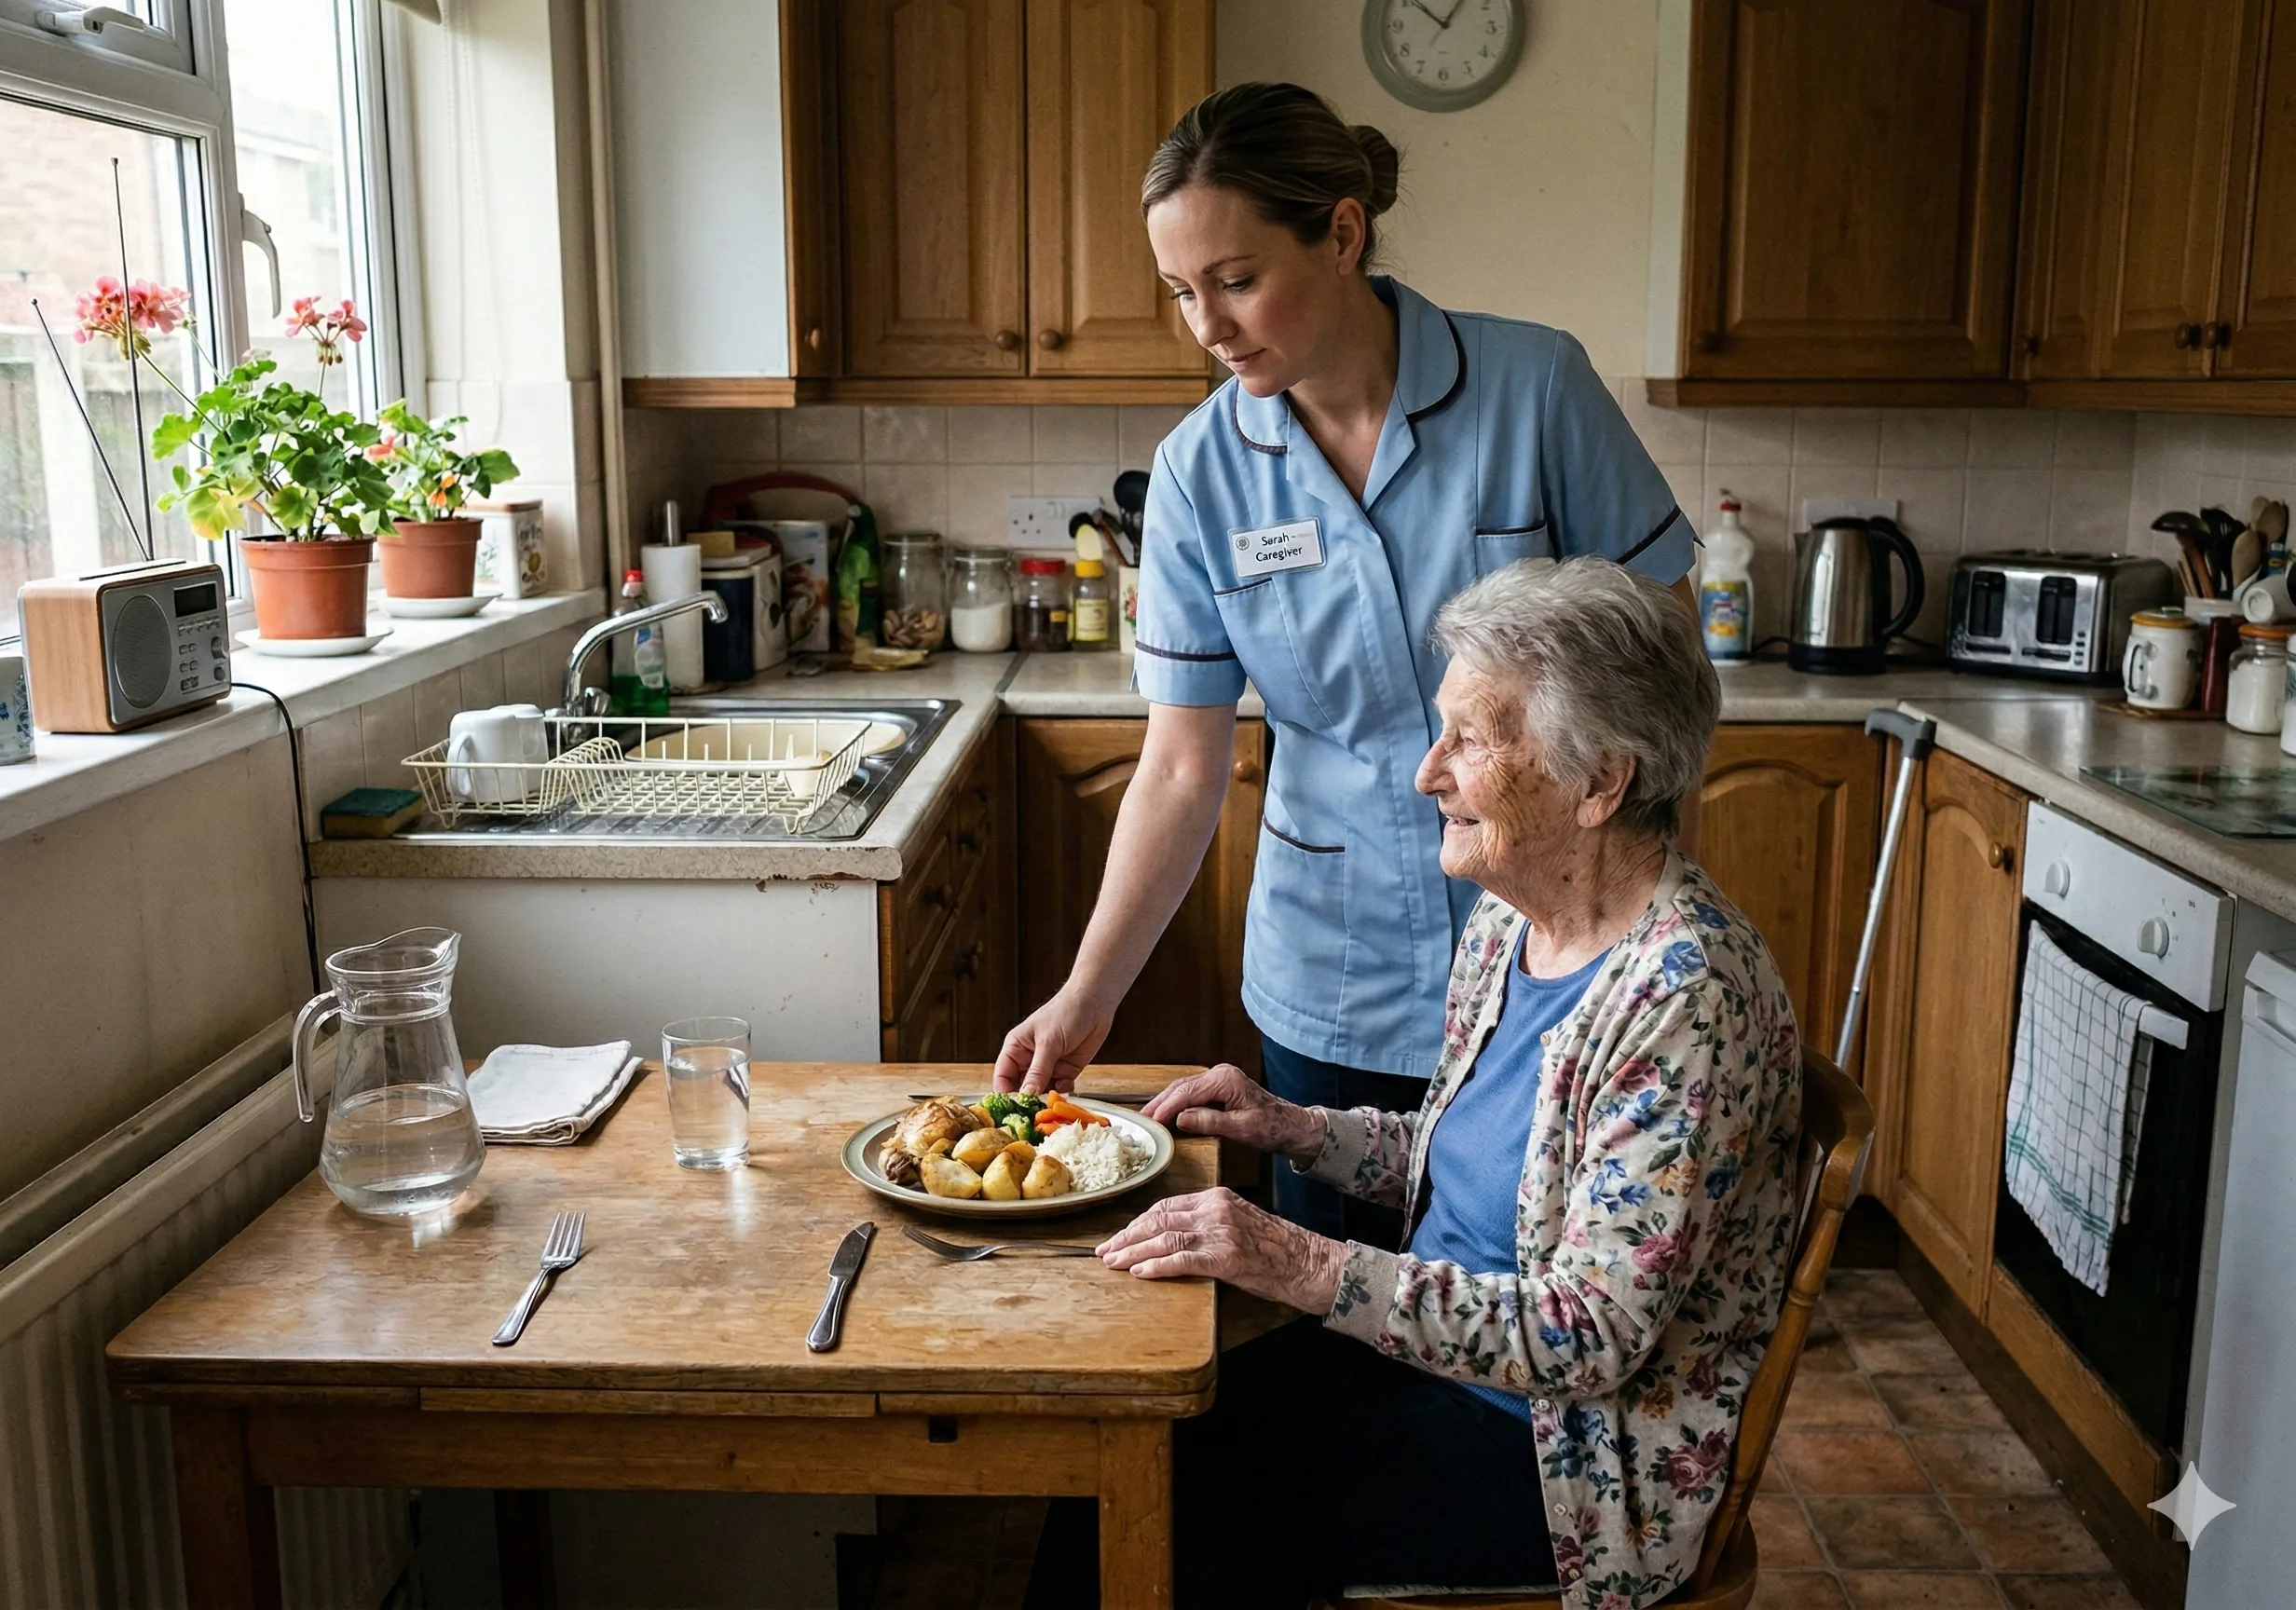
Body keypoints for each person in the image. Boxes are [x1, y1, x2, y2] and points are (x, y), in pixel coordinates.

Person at [993, 84, 1703, 1246]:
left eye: (1233, 279)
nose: (1208, 327)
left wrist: (1636, 927)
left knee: (1532, 1309)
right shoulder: (1198, 472)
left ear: (1340, 231)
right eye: (1180, 292)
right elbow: (1181, 768)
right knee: (1338, 1314)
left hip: (1554, 950)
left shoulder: (1533, 391)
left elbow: (1669, 671)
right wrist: (1090, 992)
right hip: (1332, 968)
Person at [1049, 561, 1804, 1610]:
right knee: (1117, 1447)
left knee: (1173, 1510)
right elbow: (1479, 1160)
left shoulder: (1685, 999)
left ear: (1600, 783)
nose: (1426, 772)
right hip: (1440, 1364)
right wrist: (1295, 1127)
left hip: (1564, 1456)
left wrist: (1300, 1260)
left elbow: (1589, 1334)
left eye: (1471, 739)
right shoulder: (1516, 916)